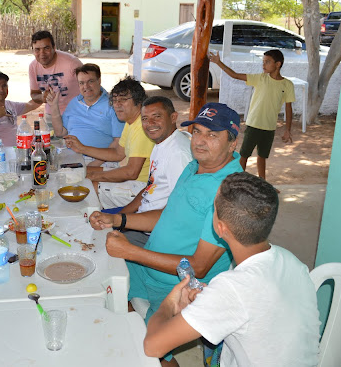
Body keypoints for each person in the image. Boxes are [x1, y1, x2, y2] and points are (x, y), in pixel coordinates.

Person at [101, 103, 243, 349]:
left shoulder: (231, 192)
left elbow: (198, 267)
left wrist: (131, 251)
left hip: (177, 289)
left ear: (232, 144)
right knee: (101, 283)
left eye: (212, 135)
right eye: (197, 131)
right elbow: (169, 214)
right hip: (148, 268)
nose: (200, 141)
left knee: (148, 351)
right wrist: (119, 220)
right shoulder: (194, 166)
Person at [144, 172, 321, 367]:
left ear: (220, 228)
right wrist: (211, 300)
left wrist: (170, 304)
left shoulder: (231, 289)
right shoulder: (291, 261)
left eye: (214, 209)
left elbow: (152, 346)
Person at [89, 96, 193, 247]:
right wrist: (121, 215)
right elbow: (149, 188)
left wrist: (121, 221)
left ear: (173, 117)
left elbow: (177, 210)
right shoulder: (161, 143)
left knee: (95, 244)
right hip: (142, 218)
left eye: (157, 116)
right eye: (145, 118)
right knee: (88, 222)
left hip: (155, 233)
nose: (150, 123)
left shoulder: (178, 155)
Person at [64, 77, 154, 209]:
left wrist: (93, 176)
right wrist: (82, 148)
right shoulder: (131, 122)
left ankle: (90, 219)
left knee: (83, 187)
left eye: (123, 100)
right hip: (129, 175)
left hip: (140, 187)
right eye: (115, 100)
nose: (117, 105)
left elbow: (131, 173)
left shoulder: (141, 127)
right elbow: (118, 153)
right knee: (78, 171)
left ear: (138, 101)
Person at [209, 49, 295, 181]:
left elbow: (289, 108)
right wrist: (218, 62)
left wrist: (287, 129)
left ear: (278, 64)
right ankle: (238, 182)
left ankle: (262, 182)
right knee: (244, 155)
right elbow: (235, 75)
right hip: (253, 124)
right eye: (263, 61)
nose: (263, 64)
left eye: (267, 62)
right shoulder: (260, 78)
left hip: (269, 127)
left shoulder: (287, 84)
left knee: (262, 156)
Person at [46, 63, 124, 158]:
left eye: (90, 81)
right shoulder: (74, 103)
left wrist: (97, 163)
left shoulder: (113, 104)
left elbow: (118, 142)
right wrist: (54, 106)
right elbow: (60, 132)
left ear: (99, 80)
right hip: (72, 157)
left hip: (100, 160)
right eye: (81, 83)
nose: (86, 86)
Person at [0, 69, 41, 151]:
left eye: (4, 86)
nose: (1, 90)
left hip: (16, 152)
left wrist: (44, 97)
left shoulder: (10, 105)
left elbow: (31, 105)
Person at [28, 30, 83, 124]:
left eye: (46, 48)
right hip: (51, 115)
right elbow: (34, 94)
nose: (42, 53)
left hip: (76, 114)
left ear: (54, 48)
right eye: (37, 49)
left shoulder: (72, 63)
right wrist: (42, 97)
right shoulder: (33, 67)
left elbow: (90, 85)